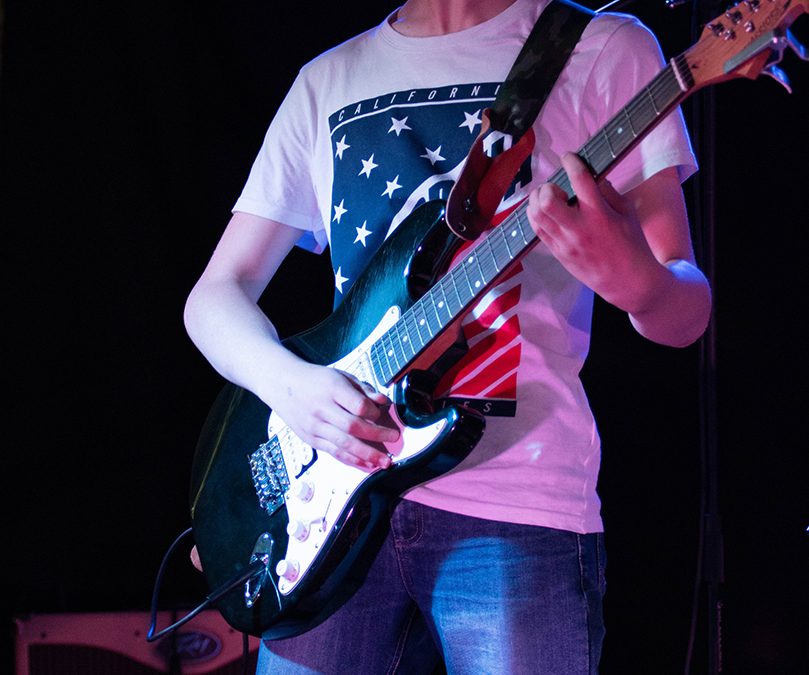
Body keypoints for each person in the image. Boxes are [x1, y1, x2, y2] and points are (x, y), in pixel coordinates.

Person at [184, 0, 712, 672]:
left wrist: (632, 279)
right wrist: (293, 388)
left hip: (518, 509)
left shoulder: (601, 48)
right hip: (328, 512)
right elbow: (213, 297)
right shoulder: (327, 81)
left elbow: (685, 314)